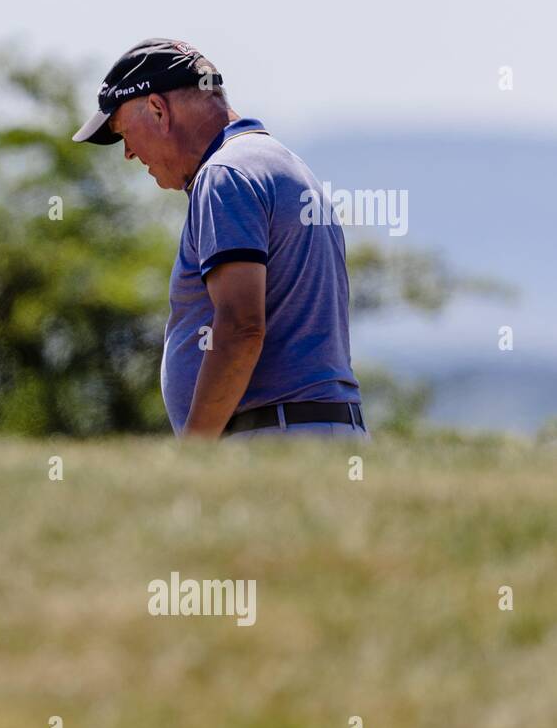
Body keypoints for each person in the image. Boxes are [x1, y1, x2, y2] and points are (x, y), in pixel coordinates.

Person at [73, 38, 367, 441]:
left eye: (124, 131)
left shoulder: (224, 174)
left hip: (271, 441)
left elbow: (241, 327)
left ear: (158, 110)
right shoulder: (280, 163)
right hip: (318, 432)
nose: (127, 153)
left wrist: (196, 453)